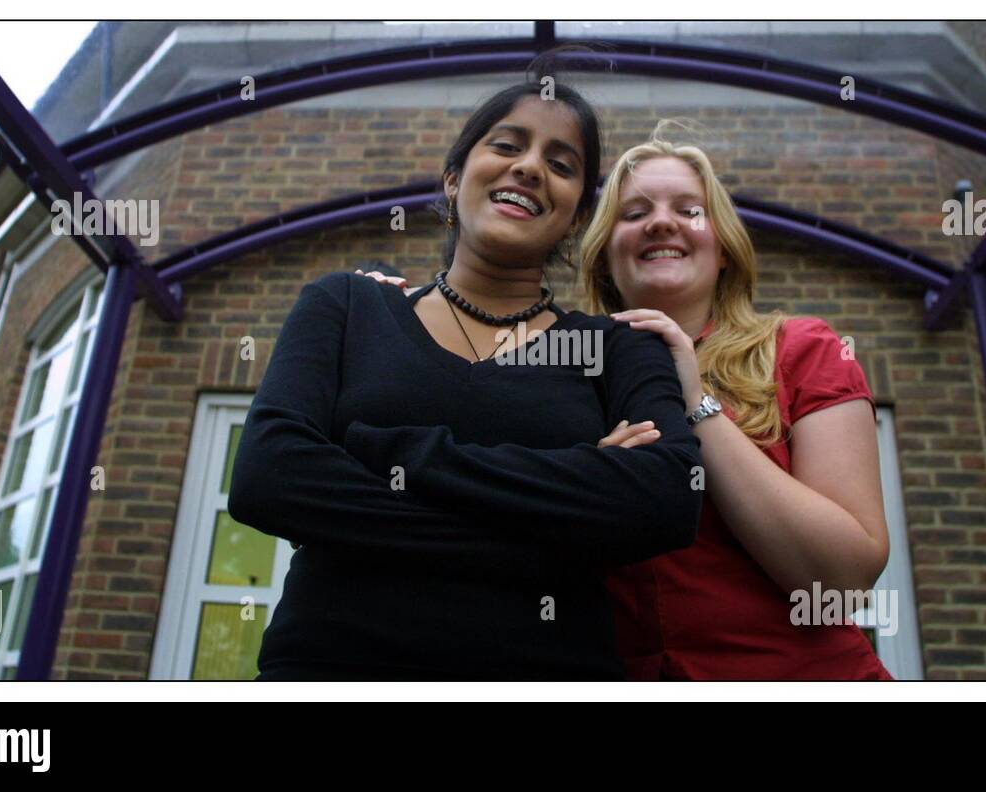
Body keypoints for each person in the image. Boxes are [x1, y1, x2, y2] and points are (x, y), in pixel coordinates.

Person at [227, 76, 703, 681]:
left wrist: (385, 451)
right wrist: (560, 525)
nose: (530, 167)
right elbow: (267, 477)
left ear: (578, 214)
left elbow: (666, 499)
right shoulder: (346, 306)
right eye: (506, 146)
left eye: (561, 164)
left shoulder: (618, 347)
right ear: (454, 180)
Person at [579, 124, 894, 680]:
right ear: (605, 255)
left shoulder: (802, 349)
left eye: (689, 209)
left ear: (723, 247)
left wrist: (696, 403)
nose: (660, 221)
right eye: (633, 213)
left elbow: (841, 583)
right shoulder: (566, 375)